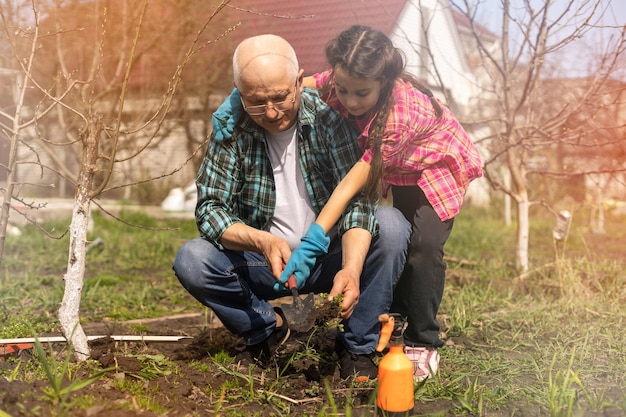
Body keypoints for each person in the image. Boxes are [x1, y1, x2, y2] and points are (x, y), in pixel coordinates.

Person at [211, 25, 483, 382]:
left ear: (384, 81)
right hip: (400, 171)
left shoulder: (401, 112)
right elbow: (296, 85)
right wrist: (235, 100)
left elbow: (350, 186)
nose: (350, 101)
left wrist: (314, 239)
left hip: (435, 169)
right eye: (343, 90)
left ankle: (422, 340)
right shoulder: (340, 78)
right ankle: (392, 325)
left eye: (362, 93)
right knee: (394, 245)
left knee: (424, 250)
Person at [174, 34, 410, 381]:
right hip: (265, 264)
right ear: (238, 92)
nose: (271, 112)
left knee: (390, 226)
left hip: (330, 257)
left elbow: (359, 204)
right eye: (256, 101)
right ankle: (266, 332)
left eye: (281, 97)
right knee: (193, 260)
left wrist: (352, 269)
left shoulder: (329, 120)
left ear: (299, 81)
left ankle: (357, 347)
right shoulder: (231, 130)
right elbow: (210, 209)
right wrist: (262, 241)